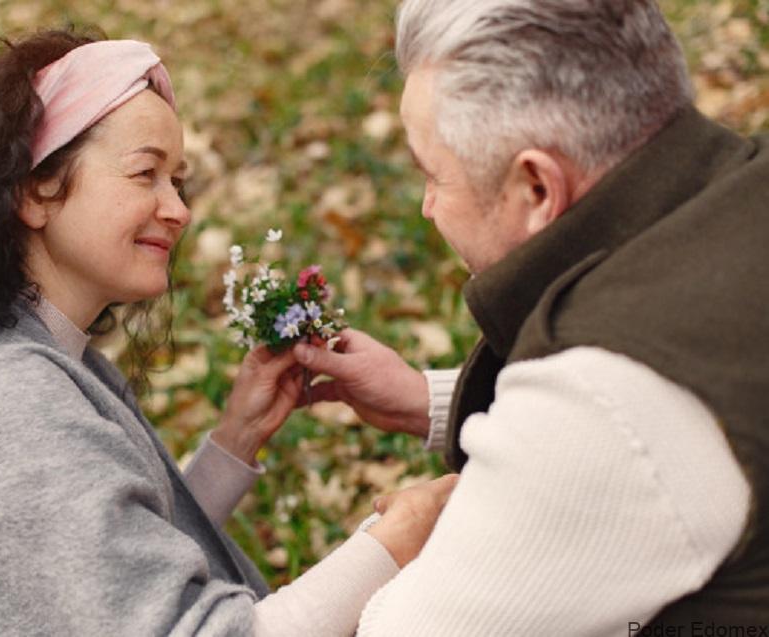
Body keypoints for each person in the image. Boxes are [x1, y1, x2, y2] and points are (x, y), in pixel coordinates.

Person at [0, 30, 457, 636]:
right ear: (36, 192)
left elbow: (91, 573)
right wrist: (400, 537)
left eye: (177, 180)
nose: (178, 209)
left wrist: (234, 443)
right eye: (144, 173)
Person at [292, 0, 769, 633]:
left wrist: (402, 539)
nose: (429, 209)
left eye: (434, 176)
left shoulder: (607, 398)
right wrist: (430, 400)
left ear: (537, 188)